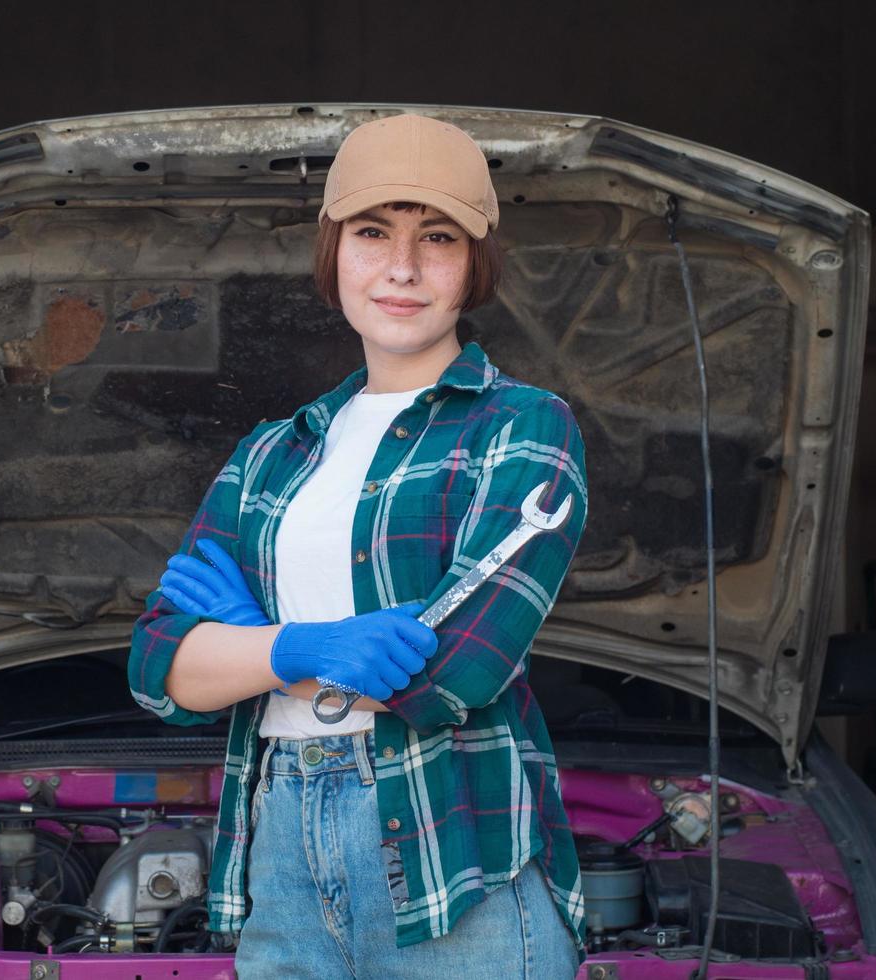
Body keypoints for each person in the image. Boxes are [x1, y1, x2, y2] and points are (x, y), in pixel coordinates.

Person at [128, 113, 588, 978]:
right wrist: (310, 648)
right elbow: (158, 671)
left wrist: (255, 648)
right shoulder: (272, 453)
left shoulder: (522, 429)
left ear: (474, 263)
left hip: (454, 863)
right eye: (372, 233)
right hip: (281, 858)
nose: (402, 268)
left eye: (437, 237)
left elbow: (457, 673)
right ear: (333, 251)